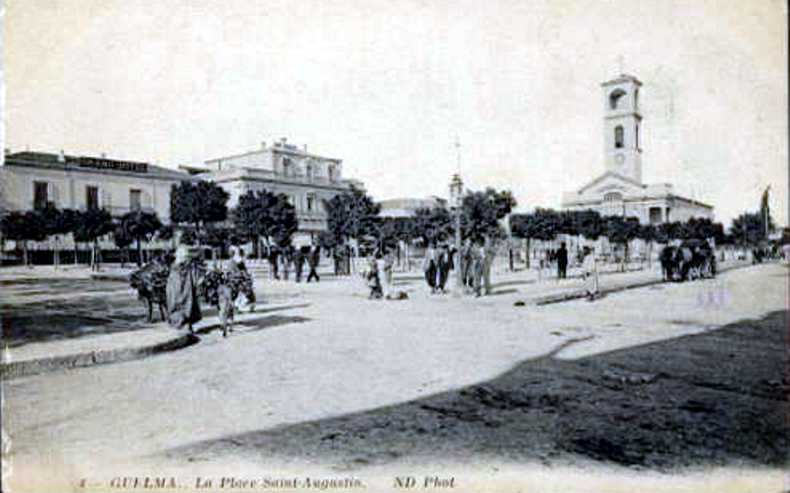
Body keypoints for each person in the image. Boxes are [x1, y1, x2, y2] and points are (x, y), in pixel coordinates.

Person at [166, 246, 203, 332]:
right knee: (179, 306)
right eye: (185, 257)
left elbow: (193, 278)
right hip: (178, 291)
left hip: (186, 290)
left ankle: (186, 324)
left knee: (189, 306)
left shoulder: (187, 268)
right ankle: (181, 324)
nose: (187, 259)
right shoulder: (175, 269)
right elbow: (173, 282)